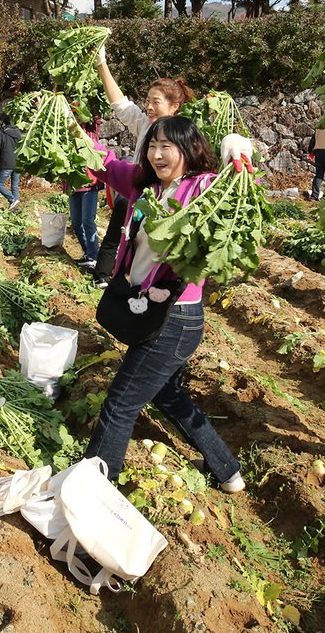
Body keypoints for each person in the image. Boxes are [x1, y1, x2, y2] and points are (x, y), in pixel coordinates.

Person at [86, 115, 249, 493]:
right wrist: (71, 126)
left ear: (188, 150)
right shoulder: (145, 187)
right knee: (167, 394)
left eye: (167, 147)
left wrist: (239, 152)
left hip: (175, 318)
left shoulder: (203, 189)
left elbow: (240, 182)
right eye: (152, 146)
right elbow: (106, 164)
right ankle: (228, 471)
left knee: (120, 404)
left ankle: (94, 492)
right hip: (153, 312)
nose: (157, 154)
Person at [92, 43, 195, 287]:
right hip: (134, 188)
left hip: (157, 201)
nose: (148, 106)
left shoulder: (182, 136)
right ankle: (106, 278)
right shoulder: (146, 125)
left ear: (174, 106)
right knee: (117, 234)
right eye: (147, 100)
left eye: (155, 102)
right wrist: (101, 64)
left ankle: (150, 287)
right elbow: (120, 104)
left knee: (150, 247)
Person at [67, 116, 105, 275]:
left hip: (89, 183)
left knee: (87, 221)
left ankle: (94, 257)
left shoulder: (90, 131)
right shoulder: (67, 132)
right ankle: (87, 252)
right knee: (76, 223)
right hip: (73, 183)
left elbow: (95, 116)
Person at [0, 115, 23, 211]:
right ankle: (16, 209)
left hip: (6, 162)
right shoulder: (18, 133)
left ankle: (12, 199)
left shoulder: (1, 133)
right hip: (18, 162)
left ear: (3, 122)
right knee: (15, 185)